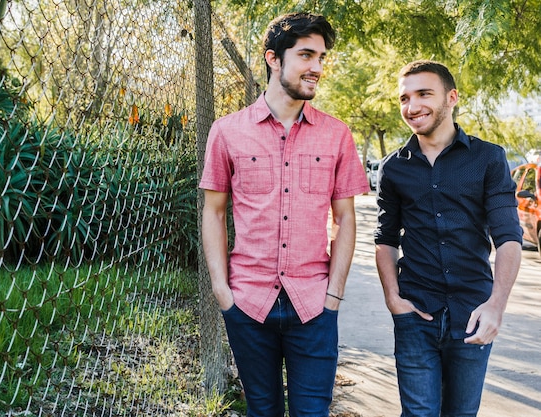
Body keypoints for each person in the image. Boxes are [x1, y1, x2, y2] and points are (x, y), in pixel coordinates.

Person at [199, 12, 369, 417]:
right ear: (273, 59)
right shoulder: (227, 131)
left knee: (313, 412)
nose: (318, 68)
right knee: (263, 411)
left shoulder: (337, 134)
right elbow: (213, 212)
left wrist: (334, 295)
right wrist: (223, 292)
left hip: (314, 305)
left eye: (323, 57)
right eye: (307, 55)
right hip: (247, 302)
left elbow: (346, 218)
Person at [374, 60, 522, 417]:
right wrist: (394, 299)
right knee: (418, 413)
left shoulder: (488, 158)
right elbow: (386, 239)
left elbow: (509, 238)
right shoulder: (393, 167)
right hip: (416, 314)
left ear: (451, 97)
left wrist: (496, 306)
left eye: (424, 94)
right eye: (404, 98)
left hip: (472, 314)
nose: (412, 106)